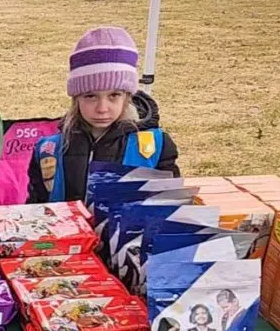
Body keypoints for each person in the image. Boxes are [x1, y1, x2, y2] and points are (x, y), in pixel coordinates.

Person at [28, 26, 179, 204]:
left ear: (127, 96)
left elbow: (170, 205)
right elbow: (36, 209)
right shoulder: (49, 149)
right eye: (90, 96)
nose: (102, 108)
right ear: (76, 98)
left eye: (114, 95)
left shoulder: (155, 146)